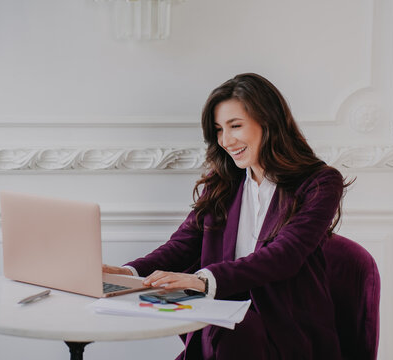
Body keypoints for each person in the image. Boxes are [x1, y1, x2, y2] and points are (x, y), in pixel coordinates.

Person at [103, 73, 351, 359]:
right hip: (221, 325)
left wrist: (203, 280)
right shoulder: (223, 181)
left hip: (286, 327)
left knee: (230, 329)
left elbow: (285, 254)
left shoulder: (319, 182)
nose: (226, 140)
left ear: (268, 122)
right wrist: (128, 273)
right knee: (224, 329)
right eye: (219, 129)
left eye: (235, 126)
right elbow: (183, 245)